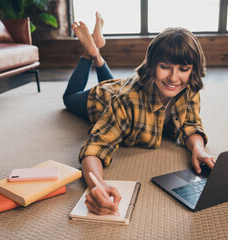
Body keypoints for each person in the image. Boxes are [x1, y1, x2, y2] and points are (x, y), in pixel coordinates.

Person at [63, 12, 215, 215]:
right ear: (152, 65)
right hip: (101, 99)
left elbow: (191, 124)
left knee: (118, 84)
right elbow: (95, 147)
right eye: (165, 67)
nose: (173, 77)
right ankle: (89, 53)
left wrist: (198, 149)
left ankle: (98, 54)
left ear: (192, 70)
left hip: (121, 88)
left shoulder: (188, 87)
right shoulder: (126, 100)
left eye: (183, 69)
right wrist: (97, 185)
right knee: (69, 98)